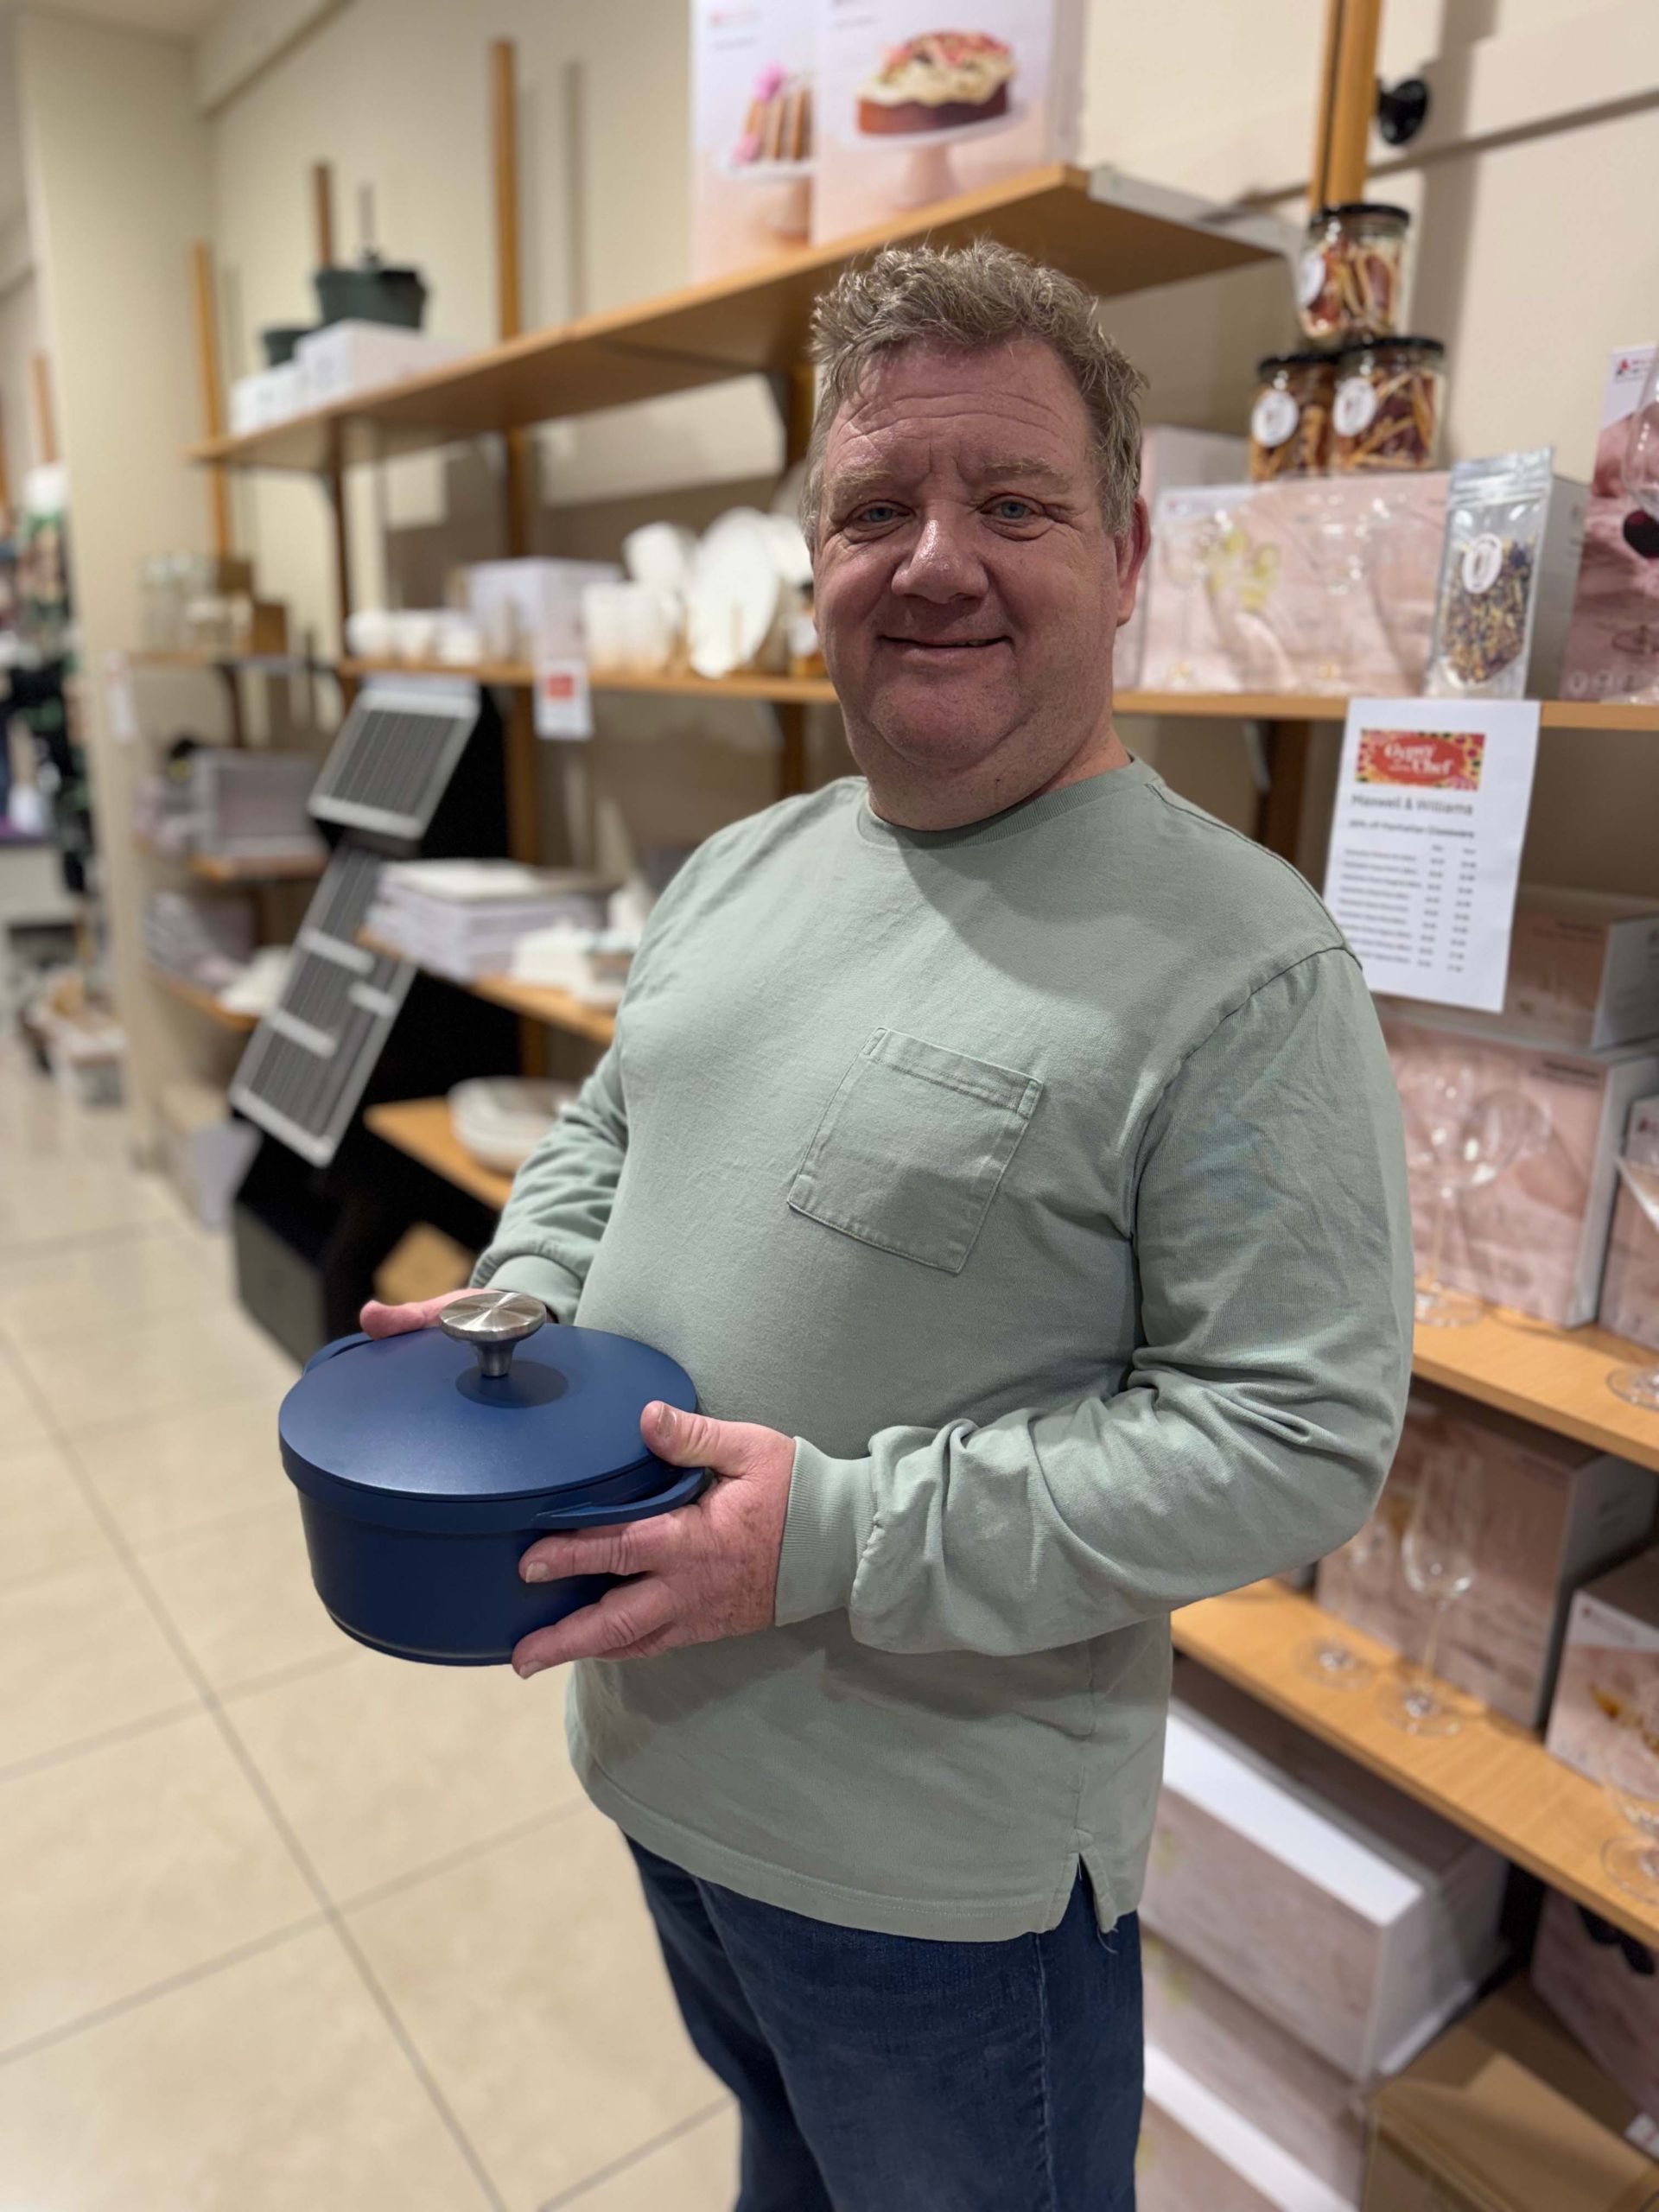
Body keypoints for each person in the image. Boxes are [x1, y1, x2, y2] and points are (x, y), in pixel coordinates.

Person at [365, 240, 1413, 2212]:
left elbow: (1291, 1437)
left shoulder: (1244, 967)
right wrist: (519, 1300)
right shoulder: (749, 862)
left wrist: (831, 1536)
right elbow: (614, 1121)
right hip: (665, 1770)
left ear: (1129, 550)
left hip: (942, 1889)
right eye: (875, 506)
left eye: (1013, 502)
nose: (935, 559)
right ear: (818, 553)